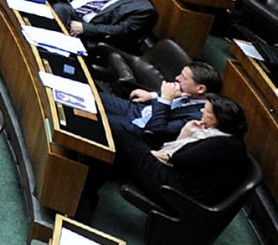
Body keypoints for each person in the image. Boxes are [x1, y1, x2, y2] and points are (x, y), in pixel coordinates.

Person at [116, 94, 253, 208]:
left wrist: (148, 153)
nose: (201, 111)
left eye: (207, 110)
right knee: (131, 140)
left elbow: (177, 159)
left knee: (123, 134)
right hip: (178, 180)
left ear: (218, 118)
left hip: (176, 191)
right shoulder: (225, 138)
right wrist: (185, 133)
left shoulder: (225, 145)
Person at [102, 59, 221, 144]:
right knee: (91, 97)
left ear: (200, 89)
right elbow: (167, 90)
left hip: (138, 128)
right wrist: (152, 95)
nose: (177, 78)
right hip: (137, 109)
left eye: (183, 78)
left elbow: (156, 131)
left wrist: (165, 100)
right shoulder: (186, 90)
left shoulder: (197, 116)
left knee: (96, 117)